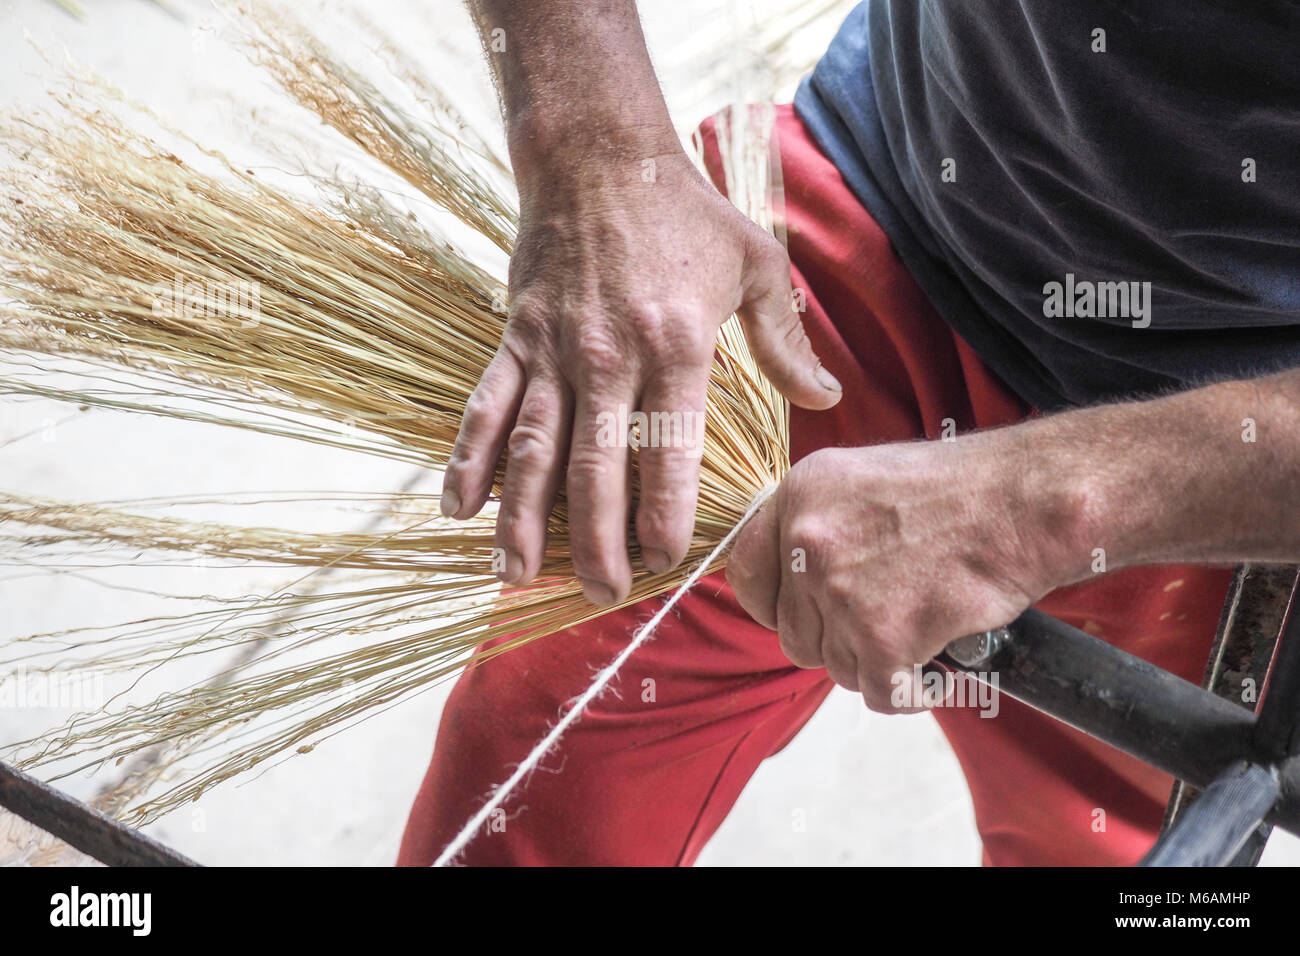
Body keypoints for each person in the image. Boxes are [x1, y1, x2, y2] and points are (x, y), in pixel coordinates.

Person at [398, 0, 1300, 865]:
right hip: (842, 249)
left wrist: (1037, 514)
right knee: (526, 792)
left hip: (1218, 471)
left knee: (1107, 856)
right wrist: (593, 151)